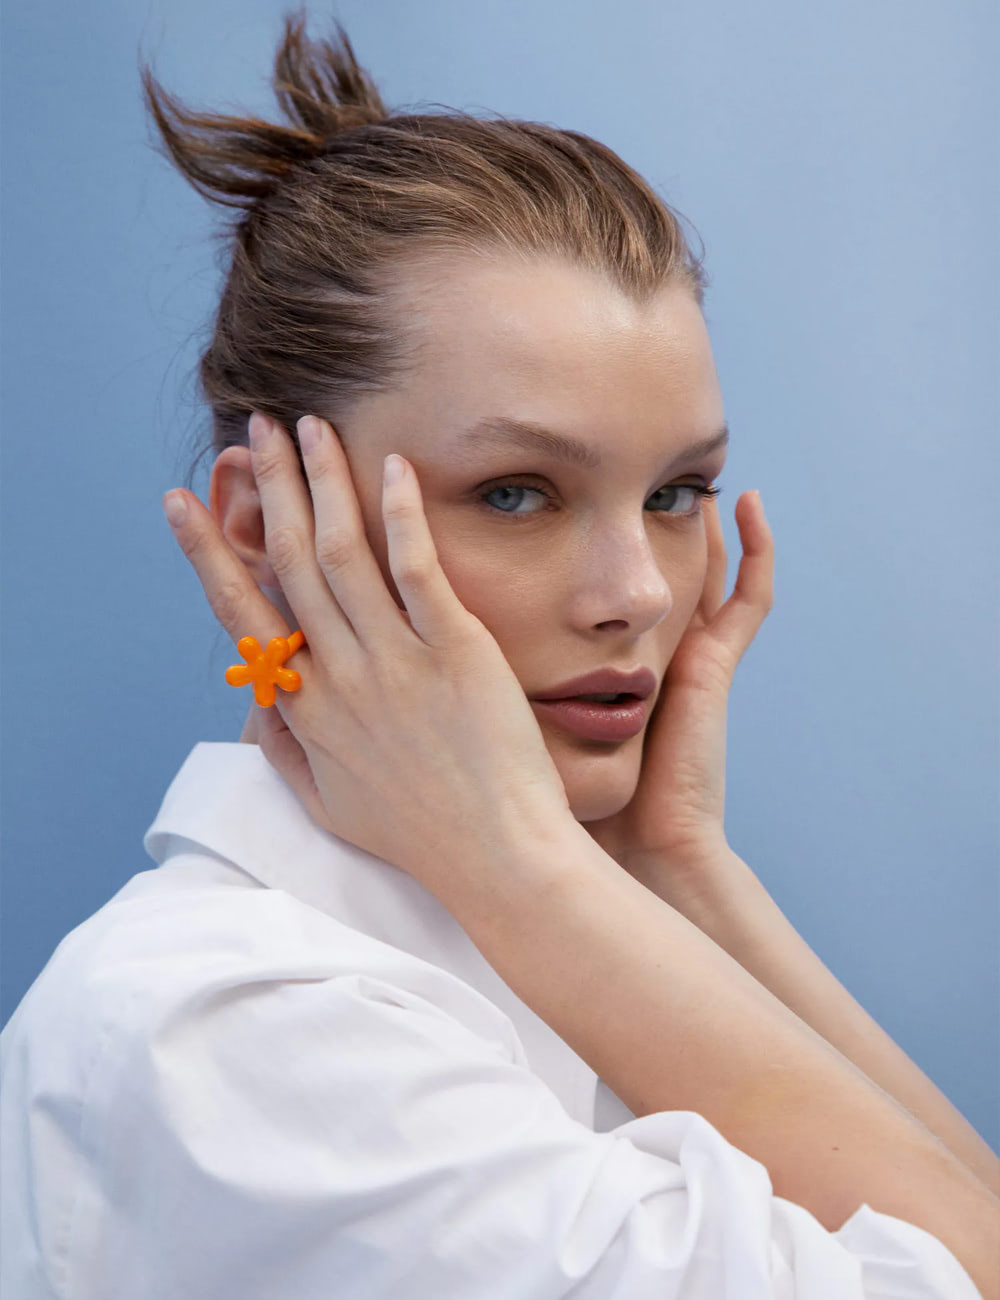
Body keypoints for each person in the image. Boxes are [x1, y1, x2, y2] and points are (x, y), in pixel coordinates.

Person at [2, 12, 998, 1298]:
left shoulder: (552, 956)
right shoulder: (237, 1036)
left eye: (677, 494)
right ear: (265, 530)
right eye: (516, 493)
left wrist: (676, 866)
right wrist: (527, 866)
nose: (639, 594)